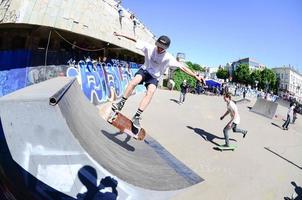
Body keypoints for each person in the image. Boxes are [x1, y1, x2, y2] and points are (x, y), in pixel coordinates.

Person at [112, 32, 203, 130]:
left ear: (166, 48)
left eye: (162, 48)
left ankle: (137, 116)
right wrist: (120, 34)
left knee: (150, 92)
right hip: (145, 71)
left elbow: (183, 68)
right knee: (134, 81)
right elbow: (134, 39)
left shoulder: (168, 57)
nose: (159, 49)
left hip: (154, 77)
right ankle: (121, 103)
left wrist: (195, 76)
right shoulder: (149, 47)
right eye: (158, 46)